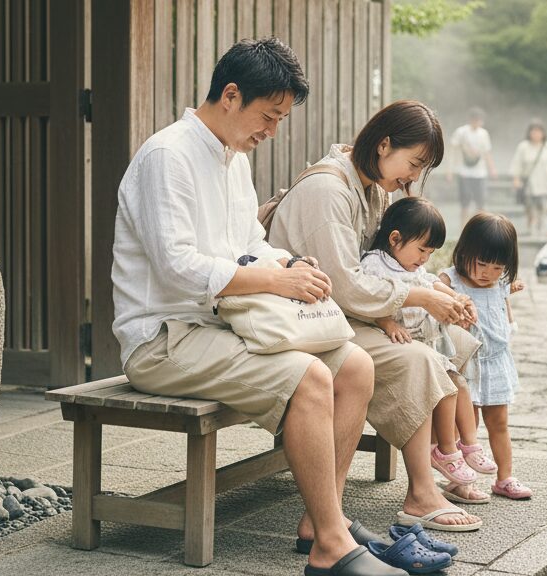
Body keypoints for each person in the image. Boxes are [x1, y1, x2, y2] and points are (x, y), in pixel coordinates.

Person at [111, 38, 405, 576]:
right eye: (269, 117)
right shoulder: (166, 156)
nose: (271, 132)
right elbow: (177, 265)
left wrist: (289, 266)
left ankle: (324, 522)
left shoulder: (233, 159)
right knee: (310, 377)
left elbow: (249, 239)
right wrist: (270, 278)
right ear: (229, 95)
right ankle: (332, 549)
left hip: (224, 326)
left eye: (279, 119)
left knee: (355, 366)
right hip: (164, 339)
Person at [269, 100, 485, 533]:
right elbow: (345, 285)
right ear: (384, 144)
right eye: (414, 162)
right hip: (308, 319)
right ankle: (419, 491)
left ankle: (450, 453)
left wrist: (437, 293)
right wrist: (421, 298)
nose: (412, 177)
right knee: (419, 358)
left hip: (345, 315)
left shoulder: (372, 188)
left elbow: (384, 264)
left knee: (457, 343)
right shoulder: (329, 190)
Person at [360, 196, 498, 505]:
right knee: (448, 386)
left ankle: (468, 446)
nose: (425, 258)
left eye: (431, 252)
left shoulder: (410, 264)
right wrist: (386, 323)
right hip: (406, 340)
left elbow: (431, 283)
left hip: (427, 338)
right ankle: (446, 451)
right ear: (395, 239)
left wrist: (455, 299)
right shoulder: (375, 263)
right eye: (422, 249)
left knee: (461, 384)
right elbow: (367, 294)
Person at [439, 213, 530, 499]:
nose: (486, 273)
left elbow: (503, 311)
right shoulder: (451, 280)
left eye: (496, 267)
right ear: (464, 250)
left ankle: (505, 478)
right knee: (467, 425)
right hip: (468, 364)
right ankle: (460, 481)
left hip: (497, 362)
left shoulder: (499, 282)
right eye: (480, 264)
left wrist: (509, 298)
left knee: (499, 422)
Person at [510, 120, 547, 237]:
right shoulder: (523, 147)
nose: (536, 134)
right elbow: (517, 163)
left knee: (542, 208)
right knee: (530, 208)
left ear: (543, 133)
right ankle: (531, 229)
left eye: (539, 132)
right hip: (529, 184)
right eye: (534, 131)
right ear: (529, 133)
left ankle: (540, 229)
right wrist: (516, 179)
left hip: (545, 183)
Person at [449, 107, 496, 224]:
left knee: (481, 203)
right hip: (464, 172)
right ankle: (463, 228)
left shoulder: (484, 133)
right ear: (470, 120)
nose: (477, 122)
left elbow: (487, 152)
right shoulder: (461, 132)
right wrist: (449, 170)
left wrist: (492, 169)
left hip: (480, 173)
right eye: (475, 120)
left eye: (479, 120)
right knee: (464, 204)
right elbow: (452, 150)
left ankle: (479, 227)